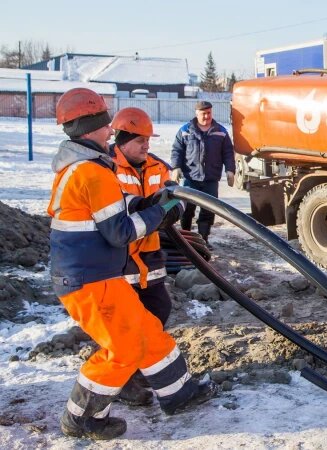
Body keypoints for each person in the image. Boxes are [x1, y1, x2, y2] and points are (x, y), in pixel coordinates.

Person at [49, 88, 218, 440]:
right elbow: (119, 232)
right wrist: (160, 213)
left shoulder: (88, 168)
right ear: (90, 126)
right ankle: (80, 417)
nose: (111, 131)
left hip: (99, 275)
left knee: (147, 332)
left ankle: (179, 394)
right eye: (104, 124)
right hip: (88, 280)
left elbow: (117, 205)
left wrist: (149, 202)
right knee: (123, 349)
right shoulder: (89, 171)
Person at [109, 107, 184, 406]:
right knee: (124, 325)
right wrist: (152, 208)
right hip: (120, 259)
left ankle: (138, 369)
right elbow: (112, 209)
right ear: (123, 140)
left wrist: (167, 210)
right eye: (140, 140)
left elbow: (176, 201)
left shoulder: (157, 167)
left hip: (150, 257)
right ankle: (124, 380)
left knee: (159, 310)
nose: (146, 146)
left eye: (148, 141)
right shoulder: (106, 167)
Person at [169, 101, 235, 246]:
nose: (207, 116)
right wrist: (175, 168)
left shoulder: (221, 132)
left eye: (209, 113)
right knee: (187, 210)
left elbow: (228, 153)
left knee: (208, 211)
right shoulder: (185, 130)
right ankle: (186, 239)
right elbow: (177, 151)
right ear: (196, 114)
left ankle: (203, 239)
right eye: (203, 114)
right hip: (190, 178)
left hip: (210, 179)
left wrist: (230, 170)